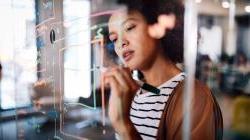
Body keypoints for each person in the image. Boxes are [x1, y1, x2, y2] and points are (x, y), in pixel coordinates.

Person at [104, 0, 223, 140]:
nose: (121, 43)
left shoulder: (195, 96)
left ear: (157, 26)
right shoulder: (131, 93)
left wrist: (124, 127)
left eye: (130, 28)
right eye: (114, 38)